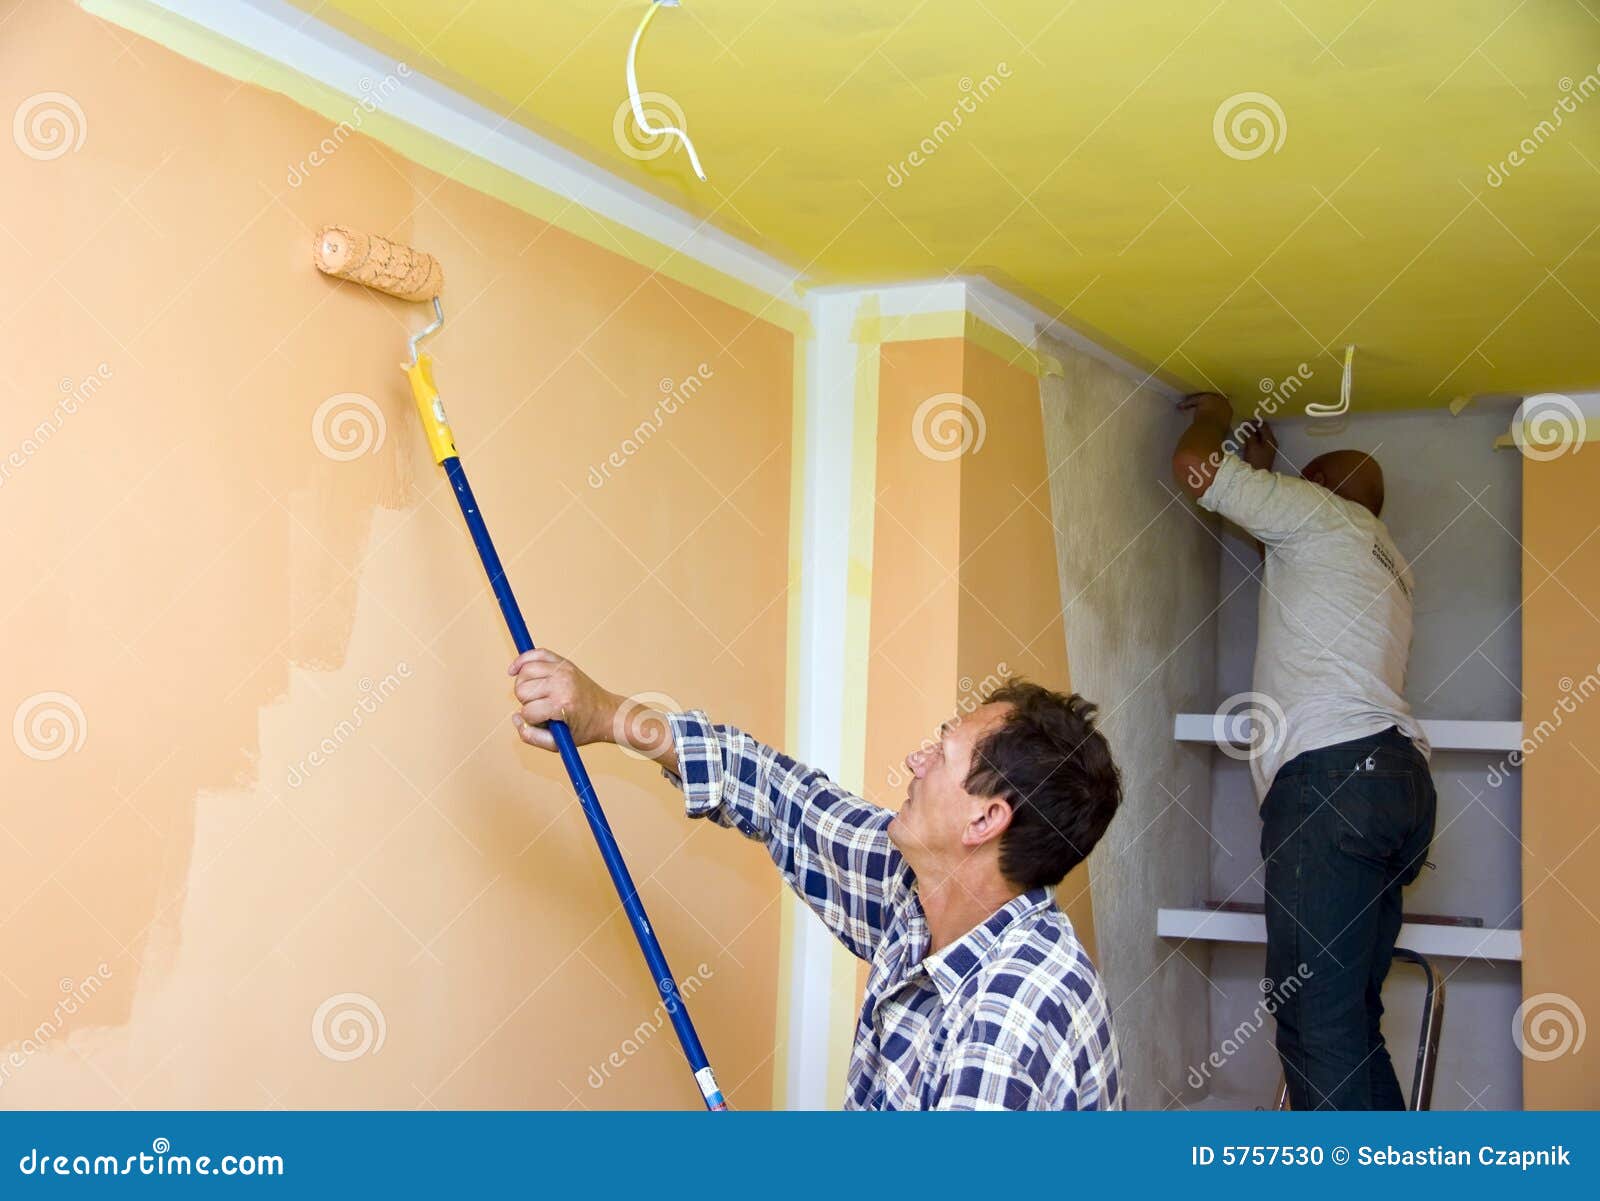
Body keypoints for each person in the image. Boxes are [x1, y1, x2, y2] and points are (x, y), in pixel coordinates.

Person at [505, 649, 1124, 1110]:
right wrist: (611, 716)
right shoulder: (920, 890)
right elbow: (783, 798)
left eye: (942, 753)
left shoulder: (1008, 1023)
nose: (915, 760)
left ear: (985, 820)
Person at [1172, 392, 1437, 1111]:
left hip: (1335, 783)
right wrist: (1264, 470)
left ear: (1310, 489)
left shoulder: (1317, 517)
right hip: (1400, 785)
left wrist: (1218, 416)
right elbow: (1283, 550)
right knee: (1349, 1019)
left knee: (1316, 1025)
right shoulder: (1387, 561)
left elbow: (1195, 467)